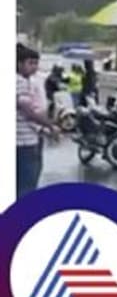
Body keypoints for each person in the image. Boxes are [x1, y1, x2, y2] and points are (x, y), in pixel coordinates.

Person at [17, 43, 59, 197]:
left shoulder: (29, 80)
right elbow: (28, 111)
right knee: (26, 185)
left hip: (30, 136)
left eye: (36, 63)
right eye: (30, 63)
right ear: (19, 63)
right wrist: (49, 126)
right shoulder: (19, 81)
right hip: (25, 141)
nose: (34, 67)